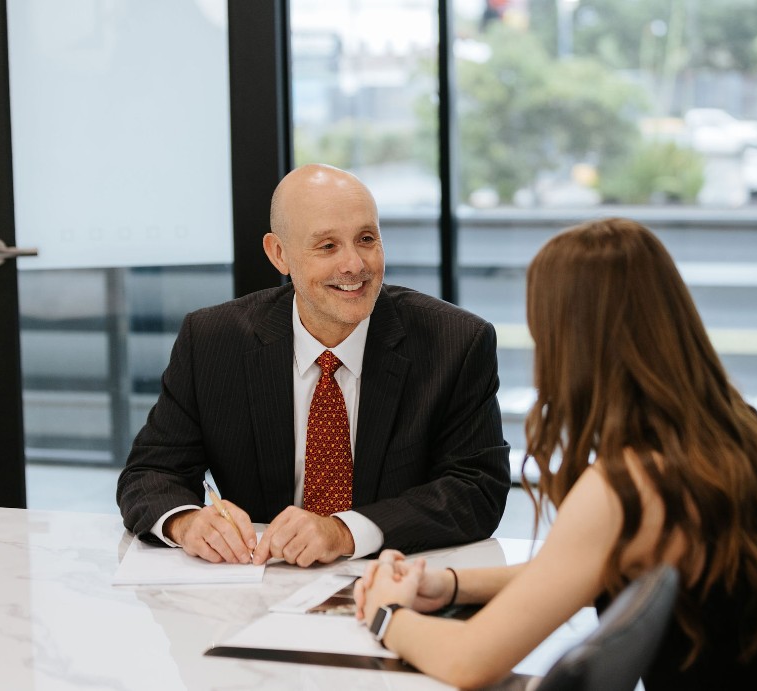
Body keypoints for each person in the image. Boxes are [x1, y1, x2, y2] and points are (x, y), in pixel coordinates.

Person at [354, 218, 757, 690]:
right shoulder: (721, 430)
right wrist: (451, 585)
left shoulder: (629, 486)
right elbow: (574, 565)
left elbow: (468, 663)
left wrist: (385, 613)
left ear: (570, 342)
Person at [117, 163, 511, 567]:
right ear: (279, 254)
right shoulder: (213, 340)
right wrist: (186, 522)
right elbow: (149, 473)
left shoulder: (456, 342)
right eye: (328, 246)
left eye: (366, 239)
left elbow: (477, 490)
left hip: (394, 584)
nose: (355, 265)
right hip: (256, 589)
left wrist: (343, 531)